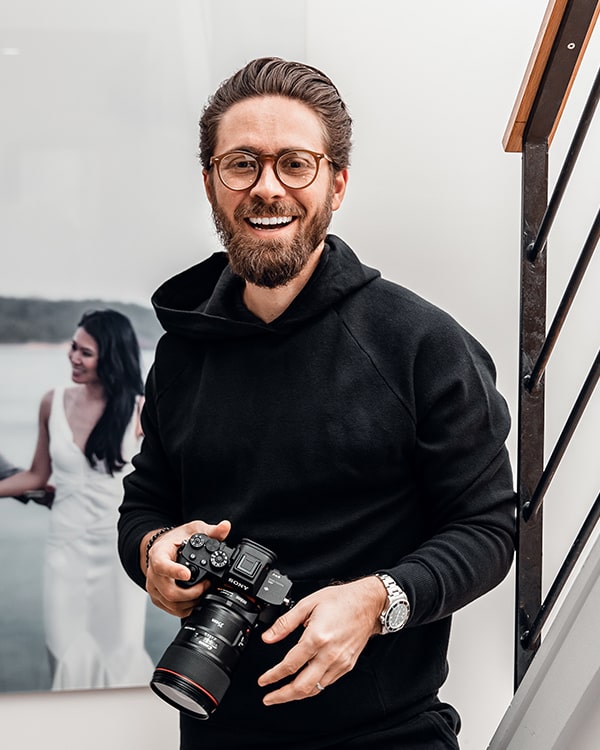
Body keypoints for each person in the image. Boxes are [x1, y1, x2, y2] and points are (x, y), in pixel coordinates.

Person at [117, 57, 516, 749]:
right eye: (242, 164)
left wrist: (377, 600)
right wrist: (153, 552)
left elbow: (487, 528)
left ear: (337, 183)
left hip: (389, 735)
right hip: (214, 731)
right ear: (211, 183)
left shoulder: (421, 345)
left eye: (295, 164)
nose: (267, 187)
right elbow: (144, 504)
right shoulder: (182, 349)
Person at [0, 309, 153, 690]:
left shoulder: (141, 410)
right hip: (64, 551)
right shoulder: (52, 402)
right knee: (64, 649)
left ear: (112, 357)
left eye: (85, 352)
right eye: (73, 348)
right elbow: (36, 476)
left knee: (121, 652)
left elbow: (161, 484)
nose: (73, 357)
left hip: (119, 553)